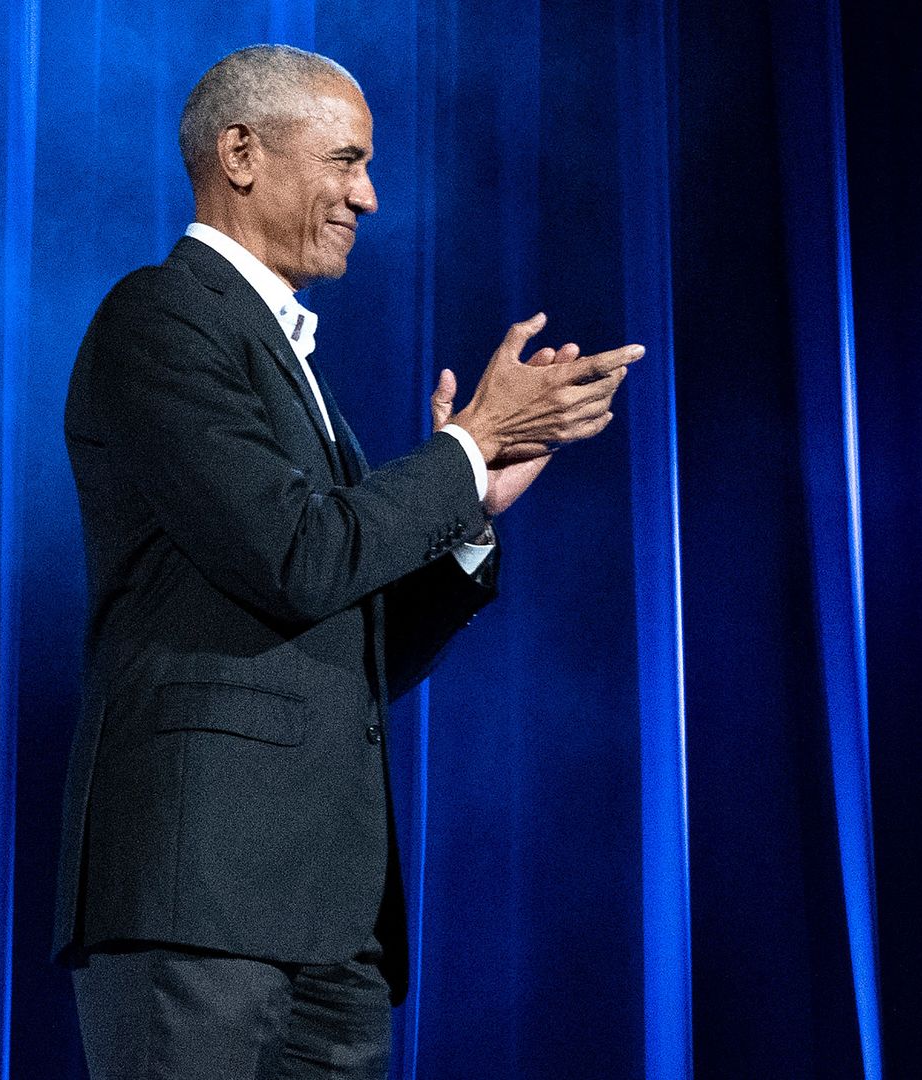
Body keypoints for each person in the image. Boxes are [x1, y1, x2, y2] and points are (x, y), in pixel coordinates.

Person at [53, 44, 641, 1077]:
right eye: (347, 160)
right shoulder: (161, 316)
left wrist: (471, 513)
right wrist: (465, 449)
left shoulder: (288, 362)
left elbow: (354, 641)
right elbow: (299, 558)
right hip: (203, 907)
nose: (368, 197)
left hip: (331, 931)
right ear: (240, 152)